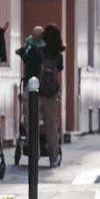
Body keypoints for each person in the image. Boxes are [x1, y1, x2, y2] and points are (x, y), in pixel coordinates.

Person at [40, 24, 66, 161]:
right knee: (51, 125)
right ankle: (54, 157)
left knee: (33, 121)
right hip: (51, 92)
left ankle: (35, 149)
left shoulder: (39, 51)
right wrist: (58, 91)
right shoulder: (58, 56)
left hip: (37, 91)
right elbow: (58, 76)